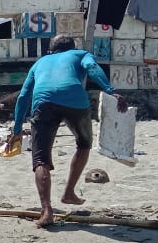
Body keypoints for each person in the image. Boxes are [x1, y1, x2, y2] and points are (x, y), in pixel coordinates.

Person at [7, 35, 128, 228]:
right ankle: (69, 192)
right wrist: (110, 90)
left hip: (43, 104)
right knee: (84, 144)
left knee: (40, 160)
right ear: (73, 47)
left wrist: (17, 129)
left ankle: (47, 211)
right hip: (76, 102)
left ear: (50, 50)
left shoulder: (40, 63)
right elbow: (92, 68)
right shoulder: (81, 54)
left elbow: (23, 96)